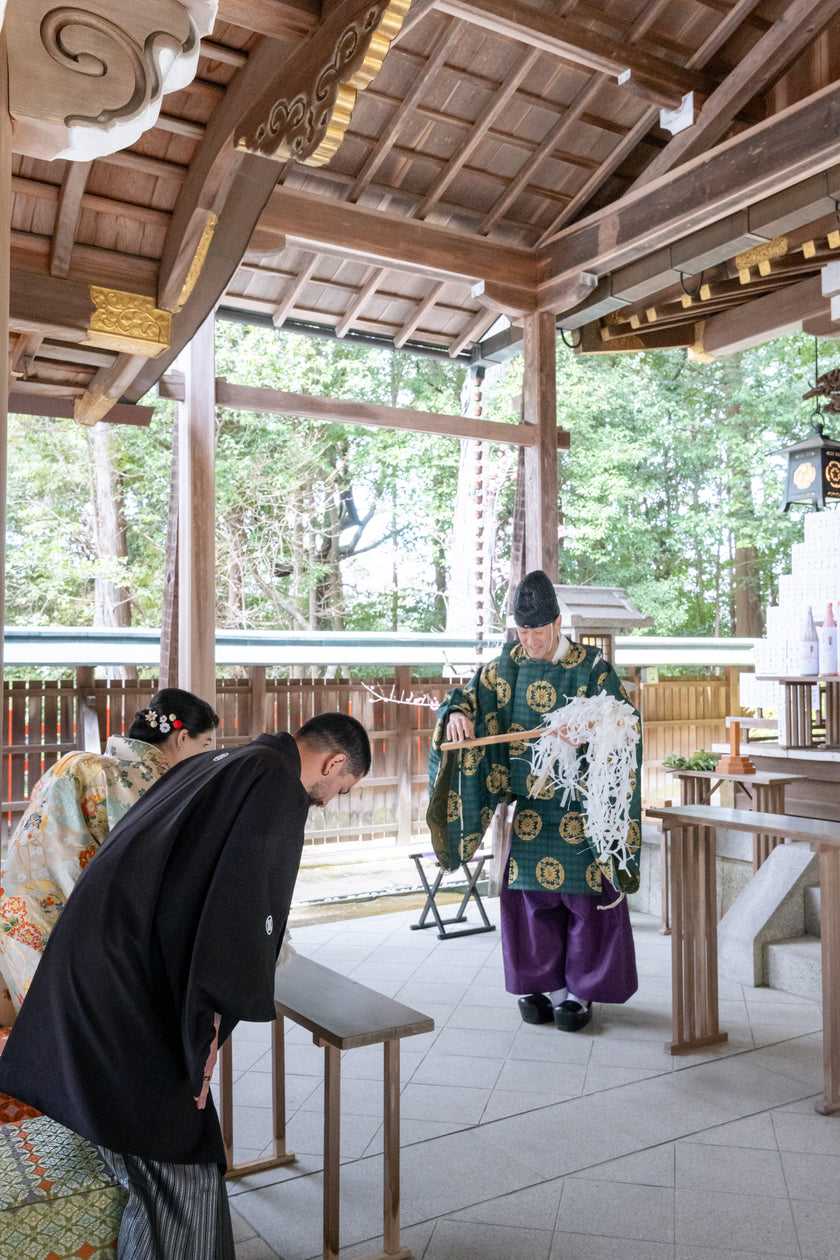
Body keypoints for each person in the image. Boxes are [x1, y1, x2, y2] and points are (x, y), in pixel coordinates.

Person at [0, 710, 371, 1260]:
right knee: (179, 1167)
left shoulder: (217, 762)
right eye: (340, 787)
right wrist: (205, 1033)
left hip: (95, 964)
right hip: (124, 989)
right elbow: (238, 914)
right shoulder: (272, 780)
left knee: (163, 1150)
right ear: (335, 762)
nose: (329, 798)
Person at [427, 570, 642, 1033]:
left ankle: (579, 994)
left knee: (584, 902)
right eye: (522, 632)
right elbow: (461, 697)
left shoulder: (591, 668)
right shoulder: (505, 667)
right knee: (531, 900)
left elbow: (624, 721)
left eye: (538, 632)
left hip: (581, 808)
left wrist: (589, 726)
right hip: (528, 808)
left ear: (557, 624)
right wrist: (458, 716)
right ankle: (543, 988)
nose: (530, 641)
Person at [0, 687, 219, 1014]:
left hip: (16, 909)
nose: (206, 755)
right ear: (182, 738)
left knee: (37, 1031)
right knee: (69, 1036)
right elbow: (151, 863)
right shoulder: (137, 780)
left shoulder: (81, 763)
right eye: (205, 744)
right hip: (57, 923)